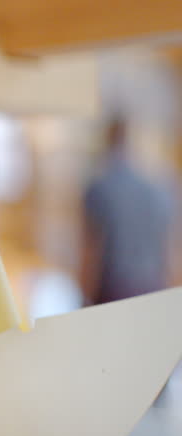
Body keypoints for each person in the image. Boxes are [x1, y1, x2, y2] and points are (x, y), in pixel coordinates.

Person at [80, 115, 177, 305]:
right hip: (154, 290)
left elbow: (91, 252)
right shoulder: (162, 190)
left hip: (112, 293)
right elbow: (170, 254)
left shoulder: (99, 187)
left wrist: (84, 299)